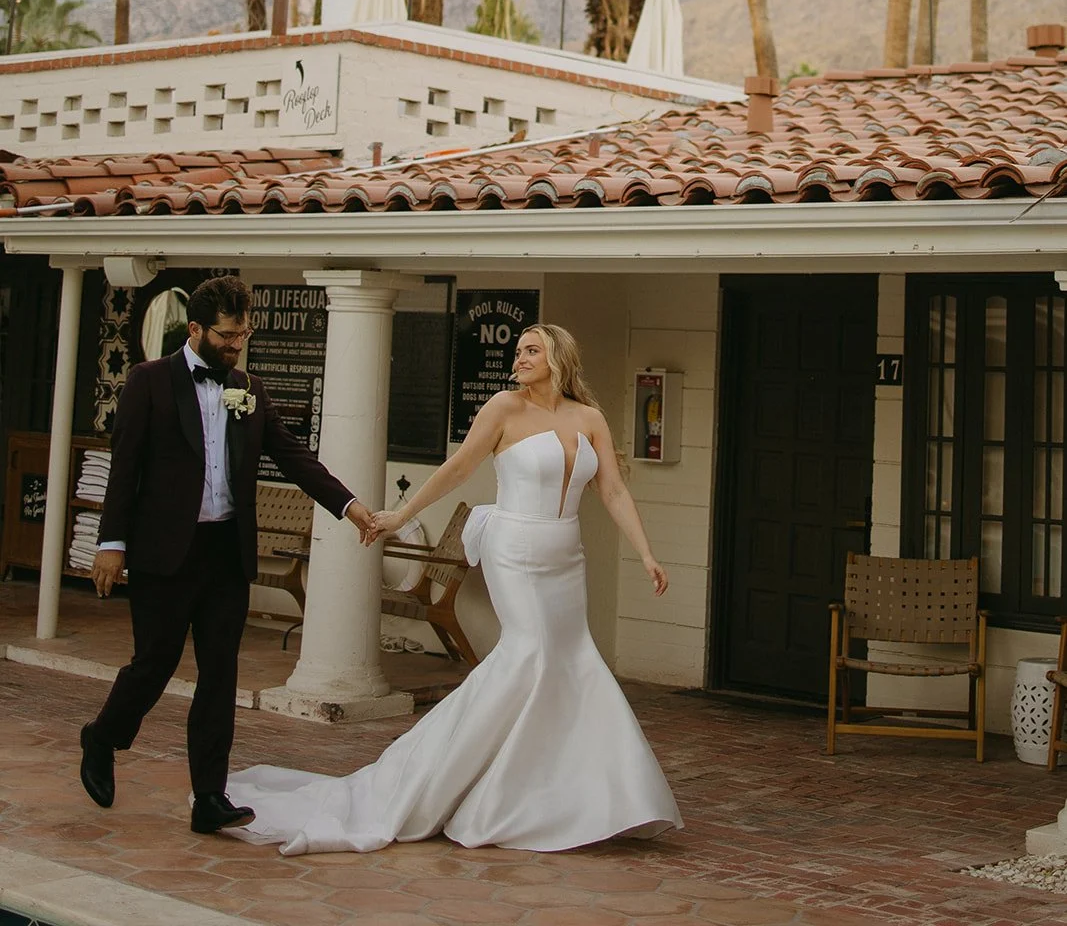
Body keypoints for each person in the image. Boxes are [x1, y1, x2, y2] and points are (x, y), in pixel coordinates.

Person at [224, 323, 683, 854]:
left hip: (566, 555)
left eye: (531, 351)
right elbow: (459, 467)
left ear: (559, 357)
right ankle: (463, 787)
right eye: (518, 351)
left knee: (572, 657)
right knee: (529, 654)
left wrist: (646, 553)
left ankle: (580, 797)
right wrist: (401, 515)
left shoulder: (590, 418)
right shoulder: (503, 408)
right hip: (515, 549)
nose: (519, 359)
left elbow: (613, 490)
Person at [78, 275, 375, 836]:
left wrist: (349, 505)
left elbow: (292, 456)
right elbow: (125, 467)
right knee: (154, 663)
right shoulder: (148, 382)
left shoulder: (249, 389)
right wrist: (110, 544)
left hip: (225, 552)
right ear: (195, 330)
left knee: (219, 673)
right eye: (227, 335)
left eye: (244, 334)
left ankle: (209, 796)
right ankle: (102, 736)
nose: (237, 345)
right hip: (165, 551)